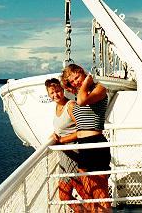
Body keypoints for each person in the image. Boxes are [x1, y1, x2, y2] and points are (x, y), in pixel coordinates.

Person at [60, 64, 112, 211]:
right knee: (88, 195)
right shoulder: (79, 93)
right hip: (83, 146)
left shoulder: (99, 89)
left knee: (100, 195)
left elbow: (82, 101)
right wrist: (62, 139)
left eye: (77, 77)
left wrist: (87, 82)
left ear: (83, 73)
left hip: (96, 145)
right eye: (72, 81)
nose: (76, 82)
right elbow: (69, 91)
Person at [45, 78, 90, 212]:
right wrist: (54, 135)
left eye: (57, 91)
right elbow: (63, 128)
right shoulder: (57, 107)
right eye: (52, 93)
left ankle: (94, 211)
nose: (55, 95)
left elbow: (84, 129)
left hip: (74, 153)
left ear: (62, 90)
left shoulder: (70, 105)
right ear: (48, 95)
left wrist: (63, 140)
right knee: (71, 194)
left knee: (70, 194)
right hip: (65, 156)